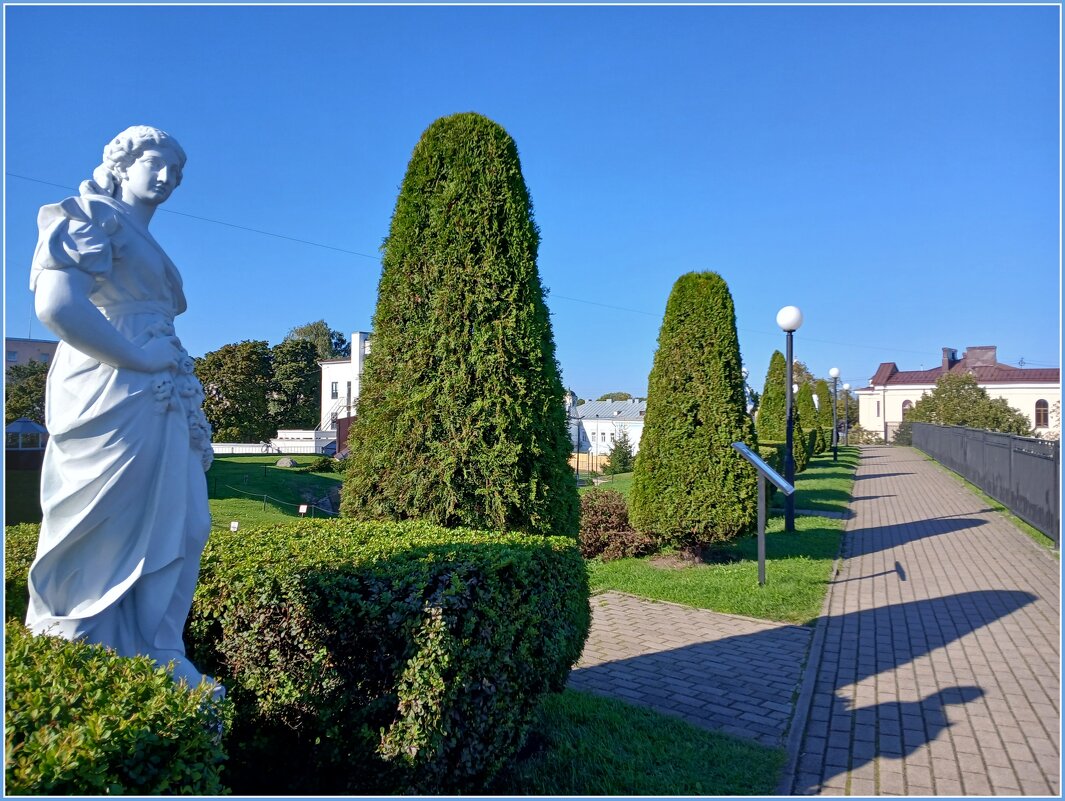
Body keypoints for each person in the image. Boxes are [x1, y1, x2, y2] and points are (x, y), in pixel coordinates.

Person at [25, 125, 219, 695]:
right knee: (100, 516)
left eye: (176, 173)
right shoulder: (89, 215)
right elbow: (56, 304)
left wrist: (156, 364)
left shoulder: (142, 235)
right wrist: (137, 358)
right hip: (111, 380)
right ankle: (77, 640)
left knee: (185, 521)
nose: (167, 178)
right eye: (156, 164)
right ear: (123, 162)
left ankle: (158, 647)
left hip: (162, 384)